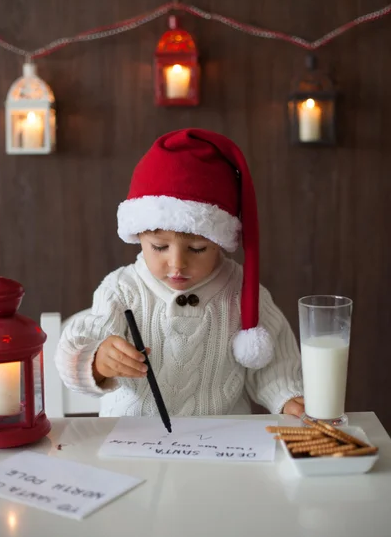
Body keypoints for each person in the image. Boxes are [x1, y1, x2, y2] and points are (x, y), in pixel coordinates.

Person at [55, 128, 304, 418]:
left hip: (222, 442)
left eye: (197, 249)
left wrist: (288, 397)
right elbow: (76, 349)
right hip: (132, 440)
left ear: (220, 243)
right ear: (138, 236)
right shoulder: (122, 290)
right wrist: (97, 361)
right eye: (159, 247)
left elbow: (274, 365)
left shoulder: (242, 292)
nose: (177, 264)